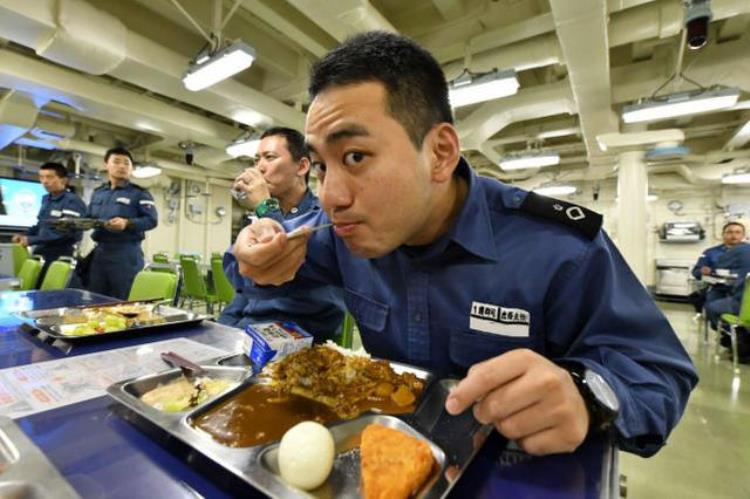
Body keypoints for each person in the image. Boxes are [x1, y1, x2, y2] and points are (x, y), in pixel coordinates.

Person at [226, 31, 697, 457]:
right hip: (388, 456)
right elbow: (252, 268)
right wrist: (251, 253)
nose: (331, 197)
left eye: (355, 156)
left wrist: (587, 395)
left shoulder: (557, 247)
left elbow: (660, 374)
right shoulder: (342, 235)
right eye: (324, 166)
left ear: (440, 153)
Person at [220, 127, 345, 338]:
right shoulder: (261, 219)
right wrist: (222, 329)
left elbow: (280, 256)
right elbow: (239, 273)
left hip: (297, 335)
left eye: (270, 158)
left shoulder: (325, 217)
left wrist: (264, 206)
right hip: (247, 327)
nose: (260, 167)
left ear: (302, 166)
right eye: (257, 159)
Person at [86, 146, 157, 299]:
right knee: (95, 298)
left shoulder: (139, 193)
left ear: (131, 168)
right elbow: (90, 217)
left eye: (126, 163)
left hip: (125, 254)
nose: (122, 166)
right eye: (116, 162)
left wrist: (127, 223)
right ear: (106, 165)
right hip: (100, 252)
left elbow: (151, 220)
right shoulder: (99, 193)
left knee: (123, 300)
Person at [12, 162, 86, 284]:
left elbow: (64, 233)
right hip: (42, 253)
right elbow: (40, 225)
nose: (45, 181)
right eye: (41, 177)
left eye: (50, 177)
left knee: (55, 293)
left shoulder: (72, 201)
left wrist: (31, 240)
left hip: (61, 256)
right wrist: (24, 235)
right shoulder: (46, 199)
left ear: (64, 180)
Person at [690, 221, 748, 310]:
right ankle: (714, 322)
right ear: (723, 235)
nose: (734, 235)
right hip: (720, 289)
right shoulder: (710, 252)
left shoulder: (747, 252)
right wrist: (702, 271)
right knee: (711, 306)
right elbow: (696, 272)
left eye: (738, 232)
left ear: (743, 235)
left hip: (745, 290)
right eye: (729, 232)